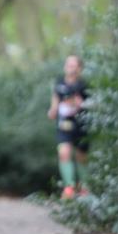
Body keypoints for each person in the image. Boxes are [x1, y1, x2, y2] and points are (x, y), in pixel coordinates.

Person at [48, 55, 89, 199]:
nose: (70, 68)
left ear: (79, 69)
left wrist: (80, 104)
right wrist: (52, 110)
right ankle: (69, 187)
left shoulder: (84, 85)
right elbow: (55, 101)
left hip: (81, 125)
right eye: (68, 65)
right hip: (63, 125)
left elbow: (92, 104)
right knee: (64, 152)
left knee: (81, 157)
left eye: (73, 66)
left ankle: (84, 188)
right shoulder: (59, 83)